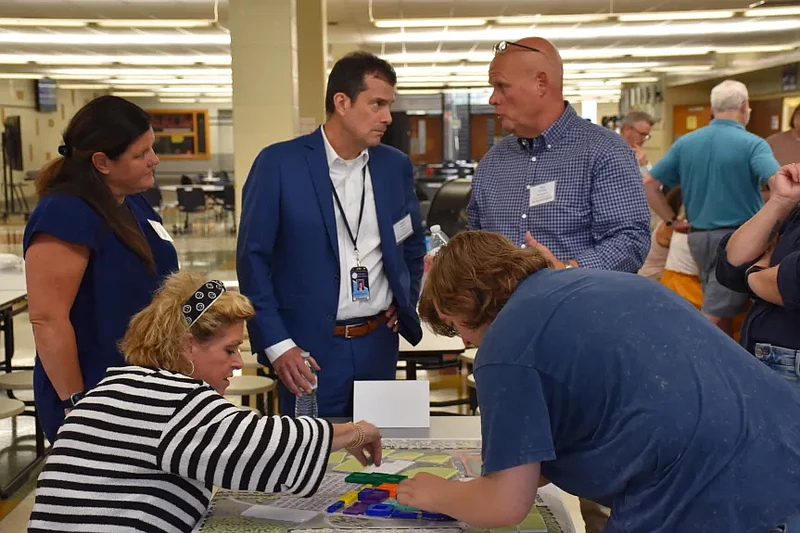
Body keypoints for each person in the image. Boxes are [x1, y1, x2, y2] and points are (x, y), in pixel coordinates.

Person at [395, 230, 800, 532]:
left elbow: (504, 505)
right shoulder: (602, 282)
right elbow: (605, 403)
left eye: (453, 326)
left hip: (709, 493)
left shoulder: (505, 346)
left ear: (463, 302)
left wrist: (437, 493)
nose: (465, 340)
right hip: (785, 448)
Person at [27, 271, 381, 533]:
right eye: (229, 350)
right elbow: (261, 445)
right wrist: (356, 432)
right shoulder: (172, 399)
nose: (238, 363)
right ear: (187, 345)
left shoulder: (117, 386)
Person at [237, 51, 426, 418]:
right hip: (306, 352)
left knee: (384, 458)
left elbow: (412, 244)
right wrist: (277, 344)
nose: (387, 117)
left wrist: (404, 301)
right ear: (342, 102)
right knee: (313, 464)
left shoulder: (393, 166)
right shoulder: (279, 165)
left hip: (378, 344)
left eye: (389, 105)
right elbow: (252, 261)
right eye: (376, 104)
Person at [23, 95, 179, 443]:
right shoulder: (65, 213)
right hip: (96, 393)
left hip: (146, 384)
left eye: (151, 148)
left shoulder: (133, 202)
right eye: (140, 154)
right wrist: (77, 404)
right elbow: (48, 319)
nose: (154, 160)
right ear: (102, 162)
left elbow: (152, 285)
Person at [467, 37, 651, 273]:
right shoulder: (492, 163)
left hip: (579, 305)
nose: (493, 98)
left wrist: (565, 271)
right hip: (505, 309)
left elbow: (630, 240)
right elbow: (473, 242)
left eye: (502, 86)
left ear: (541, 83)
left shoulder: (604, 152)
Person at [643, 80, 781, 337]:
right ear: (744, 106)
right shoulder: (753, 144)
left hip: (698, 238)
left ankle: (723, 364)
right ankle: (686, 354)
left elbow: (650, 184)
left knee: (722, 308)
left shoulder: (686, 143)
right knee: (715, 310)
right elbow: (778, 183)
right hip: (737, 240)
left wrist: (671, 221)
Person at [716, 162, 800, 386]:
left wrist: (754, 274)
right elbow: (732, 265)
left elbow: (790, 283)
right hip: (769, 360)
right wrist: (782, 200)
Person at [619, 110, 656, 177]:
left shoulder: (640, 157)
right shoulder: (608, 153)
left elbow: (654, 185)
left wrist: (644, 165)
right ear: (627, 130)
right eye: (642, 134)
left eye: (646, 136)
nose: (643, 139)